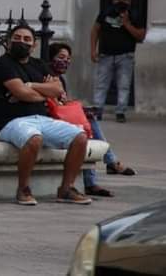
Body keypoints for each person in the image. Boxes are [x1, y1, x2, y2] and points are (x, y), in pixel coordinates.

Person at [0, 24, 91, 206]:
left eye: (27, 39)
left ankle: (66, 189)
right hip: (12, 121)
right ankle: (23, 189)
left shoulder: (39, 65)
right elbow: (22, 93)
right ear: (8, 42)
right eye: (17, 38)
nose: (22, 42)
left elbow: (58, 89)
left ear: (34, 45)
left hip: (43, 119)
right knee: (34, 139)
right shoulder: (2, 64)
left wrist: (30, 85)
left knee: (80, 137)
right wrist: (41, 92)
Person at [47, 43, 134, 197]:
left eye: (68, 59)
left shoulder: (61, 79)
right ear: (51, 58)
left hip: (61, 117)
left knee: (88, 122)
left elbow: (62, 103)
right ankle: (107, 166)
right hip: (50, 120)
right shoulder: (46, 76)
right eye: (61, 57)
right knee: (86, 125)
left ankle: (98, 175)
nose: (65, 62)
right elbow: (51, 104)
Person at [90, 0, 146, 123]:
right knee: (101, 83)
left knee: (124, 84)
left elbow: (141, 36)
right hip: (106, 54)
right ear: (114, 0)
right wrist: (93, 50)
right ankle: (98, 109)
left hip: (125, 55)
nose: (121, 2)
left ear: (129, 1)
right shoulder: (105, 13)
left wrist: (126, 23)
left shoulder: (135, 14)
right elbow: (95, 30)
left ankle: (120, 111)